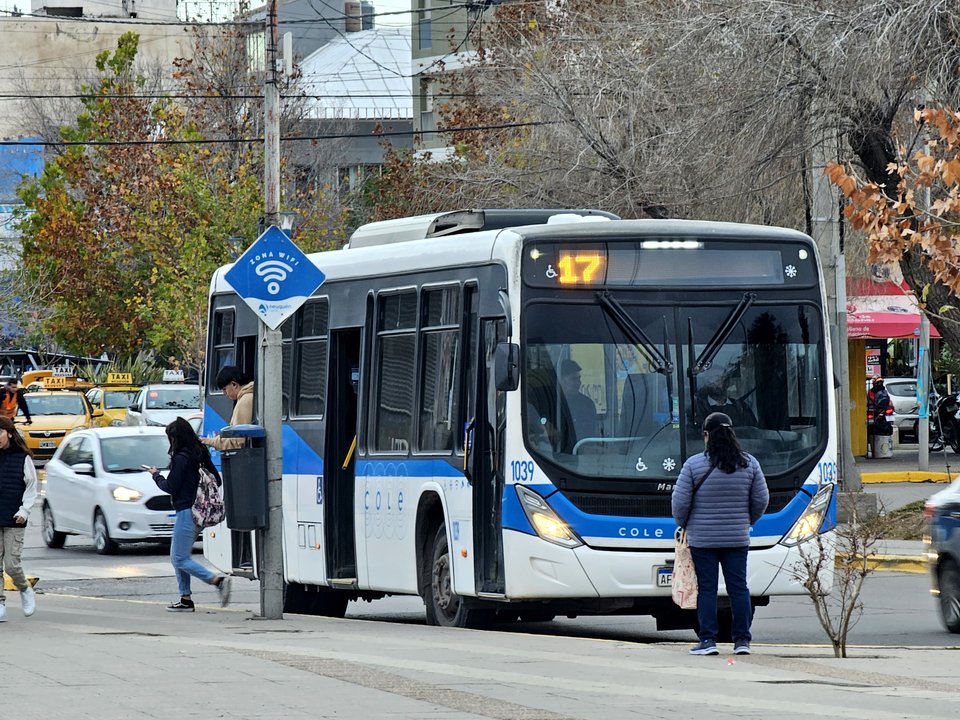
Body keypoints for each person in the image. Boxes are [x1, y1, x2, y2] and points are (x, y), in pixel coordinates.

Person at [671, 411, 769, 656]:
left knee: (707, 589)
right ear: (732, 433)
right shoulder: (749, 464)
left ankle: (707, 641)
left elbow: (680, 503)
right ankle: (742, 641)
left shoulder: (693, 465)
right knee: (739, 588)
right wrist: (747, 520)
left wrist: (685, 524)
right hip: (737, 537)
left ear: (706, 436)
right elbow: (761, 499)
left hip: (703, 539)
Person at [145, 417, 231, 612]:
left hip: (187, 511)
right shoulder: (200, 454)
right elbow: (216, 479)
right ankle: (185, 599)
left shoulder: (180, 458)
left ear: (175, 438)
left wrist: (155, 475)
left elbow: (170, 486)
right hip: (200, 512)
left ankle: (216, 581)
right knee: (179, 556)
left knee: (179, 558)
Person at [0, 415, 37, 620]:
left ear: (10, 434)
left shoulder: (23, 458)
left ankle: (24, 589)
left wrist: (24, 510)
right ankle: (0, 604)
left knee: (12, 565)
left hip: (15, 518)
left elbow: (31, 488)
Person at [201, 365, 254, 452]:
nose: (224, 393)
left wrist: (211, 441)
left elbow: (237, 441)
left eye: (225, 389)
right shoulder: (250, 396)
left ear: (234, 384)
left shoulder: (244, 401)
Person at [559, 359, 598, 442]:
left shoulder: (587, 404)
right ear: (561, 381)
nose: (579, 383)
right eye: (574, 379)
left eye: (579, 378)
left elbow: (589, 436)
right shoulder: (551, 402)